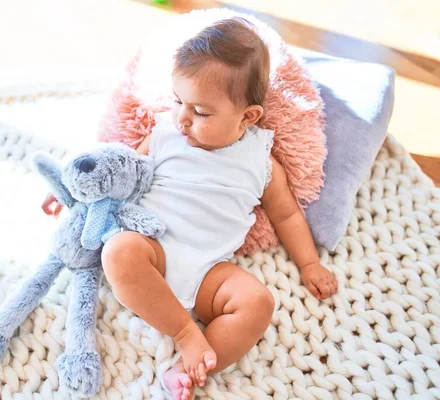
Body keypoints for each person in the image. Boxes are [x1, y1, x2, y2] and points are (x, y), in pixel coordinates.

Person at [43, 17, 338, 400]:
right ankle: (187, 335)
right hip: (153, 250)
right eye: (179, 101)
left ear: (247, 118)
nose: (182, 117)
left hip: (208, 274)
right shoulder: (166, 133)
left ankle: (184, 372)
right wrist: (74, 191)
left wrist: (309, 263)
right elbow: (120, 172)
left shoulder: (262, 161)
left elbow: (286, 215)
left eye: (200, 111)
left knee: (258, 303)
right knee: (119, 250)